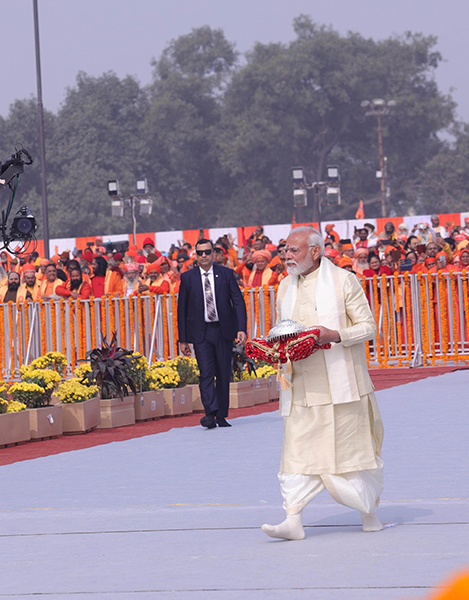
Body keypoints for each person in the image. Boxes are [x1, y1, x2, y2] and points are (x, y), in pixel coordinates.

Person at [261, 226, 383, 541]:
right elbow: (282, 331)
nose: (287, 256)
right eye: (285, 250)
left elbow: (368, 327)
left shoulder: (344, 281)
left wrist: (334, 335)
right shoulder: (284, 286)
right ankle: (293, 519)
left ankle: (369, 512)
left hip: (344, 388)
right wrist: (273, 351)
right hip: (300, 387)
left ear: (316, 251)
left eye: (294, 250)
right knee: (297, 455)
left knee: (352, 455)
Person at [177, 238, 247, 429]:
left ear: (213, 253)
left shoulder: (225, 274)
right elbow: (181, 310)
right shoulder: (188, 278)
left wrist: (242, 328)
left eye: (207, 252)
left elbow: (238, 302)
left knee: (223, 373)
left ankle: (221, 415)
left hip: (223, 331)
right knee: (206, 373)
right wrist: (183, 340)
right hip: (201, 333)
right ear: (196, 255)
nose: (204, 256)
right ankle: (210, 413)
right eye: (200, 253)